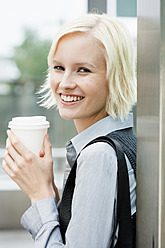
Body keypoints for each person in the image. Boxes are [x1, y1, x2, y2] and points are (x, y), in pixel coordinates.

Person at [2, 13, 136, 247]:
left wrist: (39, 195)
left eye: (83, 70)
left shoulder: (99, 156)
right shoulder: (125, 138)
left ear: (115, 76)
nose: (65, 83)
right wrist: (51, 192)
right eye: (58, 67)